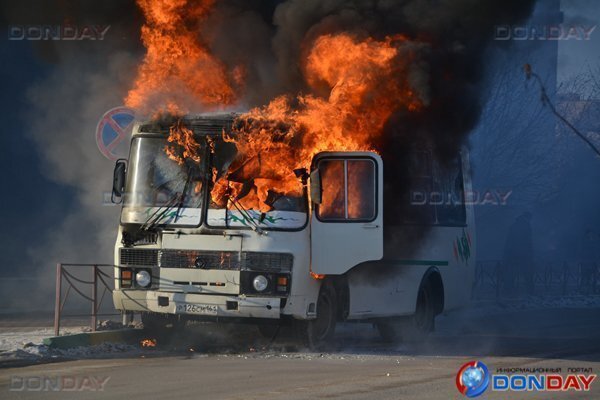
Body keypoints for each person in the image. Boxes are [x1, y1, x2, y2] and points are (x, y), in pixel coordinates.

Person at [502, 212, 534, 295]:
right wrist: (530, 252)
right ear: (528, 217)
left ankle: (508, 289)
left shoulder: (513, 226)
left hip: (513, 253)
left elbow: (508, 241)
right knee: (527, 272)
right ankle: (530, 290)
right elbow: (528, 241)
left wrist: (507, 252)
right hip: (523, 253)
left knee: (512, 272)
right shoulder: (526, 226)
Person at [580, 229, 599, 294]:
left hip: (593, 262)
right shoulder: (585, 242)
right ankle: (585, 290)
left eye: (591, 234)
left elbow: (595, 251)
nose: (591, 235)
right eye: (589, 233)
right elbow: (583, 251)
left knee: (594, 276)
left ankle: (593, 289)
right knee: (586, 277)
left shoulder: (594, 241)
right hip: (586, 262)